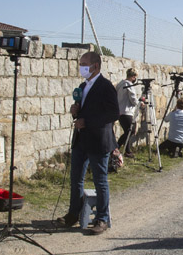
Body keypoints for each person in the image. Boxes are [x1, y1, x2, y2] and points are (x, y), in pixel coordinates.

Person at [56, 51, 120, 235]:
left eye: (84, 63)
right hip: (81, 140)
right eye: (80, 63)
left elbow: (113, 114)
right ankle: (73, 214)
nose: (81, 67)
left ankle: (102, 219)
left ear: (96, 66)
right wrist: (75, 111)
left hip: (99, 141)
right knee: (76, 179)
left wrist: (88, 122)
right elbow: (83, 112)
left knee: (100, 181)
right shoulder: (83, 86)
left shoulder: (105, 86)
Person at [116, 68, 139, 158]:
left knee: (127, 131)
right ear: (133, 77)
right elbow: (133, 99)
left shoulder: (120, 84)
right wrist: (140, 103)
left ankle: (127, 150)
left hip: (120, 111)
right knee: (131, 131)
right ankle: (116, 148)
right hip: (127, 111)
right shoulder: (129, 85)